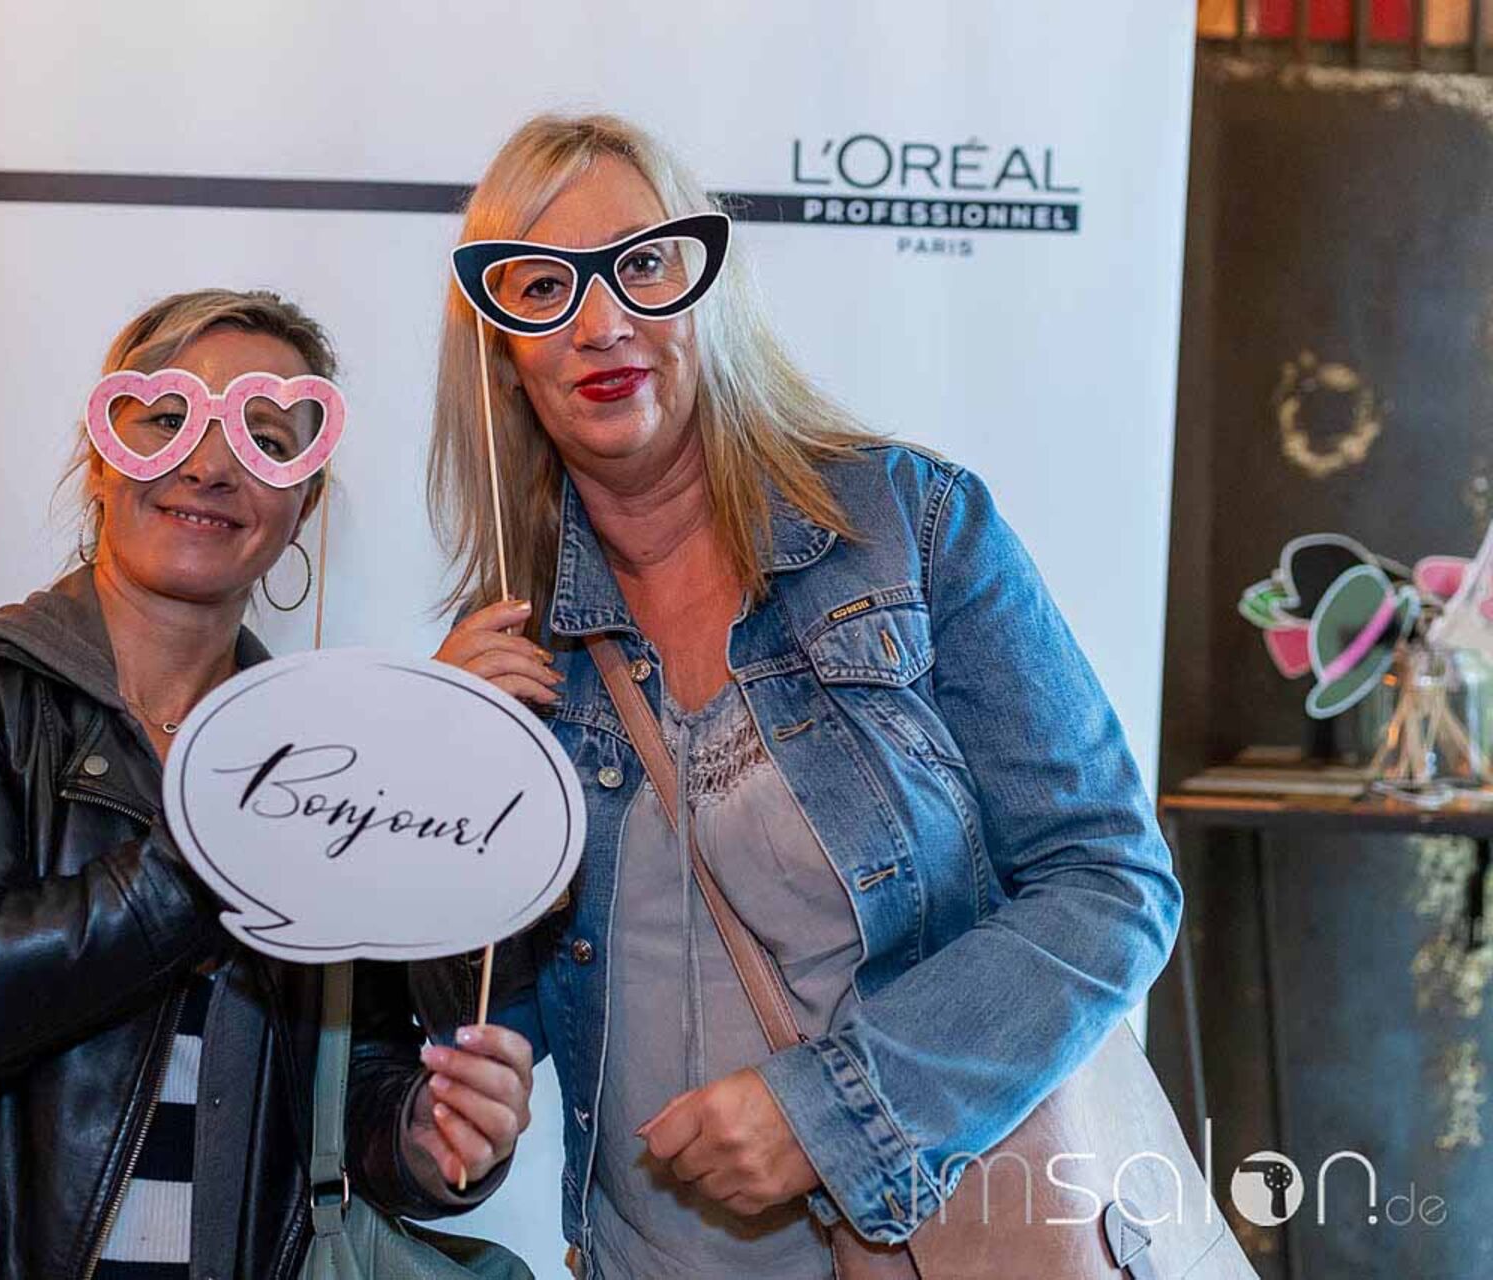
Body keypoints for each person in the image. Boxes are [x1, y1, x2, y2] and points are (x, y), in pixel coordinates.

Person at [430, 115, 1183, 1278]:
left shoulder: (908, 526)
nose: (602, 321)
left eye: (642, 263)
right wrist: (432, 778)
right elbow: (493, 1023)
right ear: (501, 352)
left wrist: (837, 1108)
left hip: (935, 1251)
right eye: (542, 286)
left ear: (707, 286)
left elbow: (1111, 878)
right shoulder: (520, 652)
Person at [0, 289, 533, 1280]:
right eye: (168, 417)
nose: (211, 464)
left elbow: (350, 1082)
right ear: (100, 459)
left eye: (267, 439)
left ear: (303, 505)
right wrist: (271, 795)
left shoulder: (323, 767)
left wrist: (429, 1136)